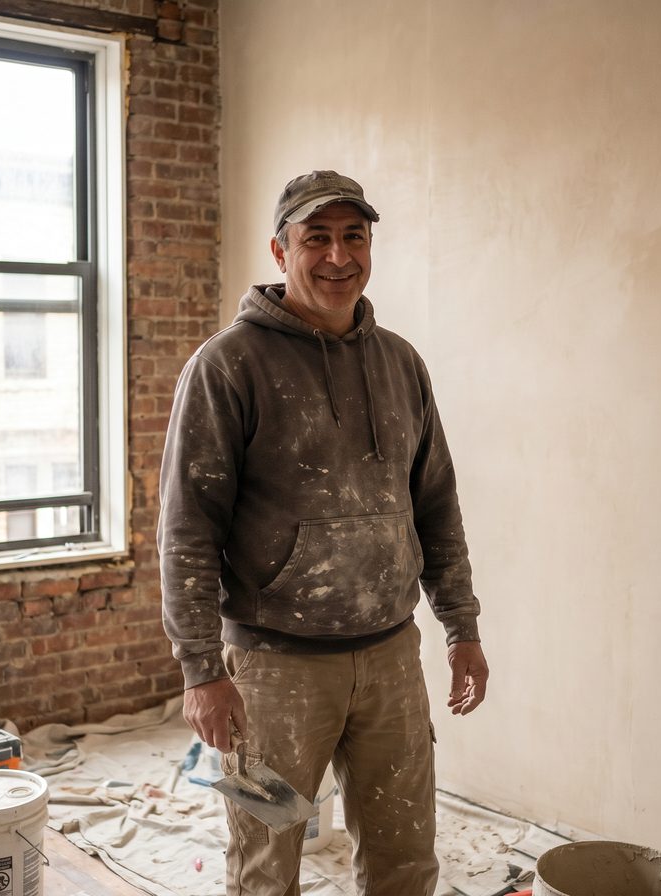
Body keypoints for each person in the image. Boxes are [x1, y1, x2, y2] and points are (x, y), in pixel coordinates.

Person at [158, 170, 489, 896]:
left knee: (406, 861)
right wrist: (202, 670)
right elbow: (187, 530)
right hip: (272, 675)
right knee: (264, 866)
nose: (338, 256)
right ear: (281, 252)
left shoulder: (401, 363)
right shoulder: (228, 366)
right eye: (316, 239)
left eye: (354, 237)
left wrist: (460, 626)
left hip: (391, 662)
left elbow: (435, 504)